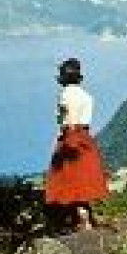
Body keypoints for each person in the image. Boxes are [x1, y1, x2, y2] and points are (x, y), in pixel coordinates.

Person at [44, 57, 108, 230]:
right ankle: (87, 219)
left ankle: (81, 222)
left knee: (70, 182)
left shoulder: (65, 95)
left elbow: (68, 120)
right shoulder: (87, 96)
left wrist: (64, 138)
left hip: (71, 138)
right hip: (86, 138)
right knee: (83, 184)